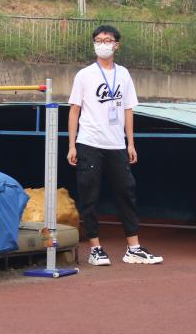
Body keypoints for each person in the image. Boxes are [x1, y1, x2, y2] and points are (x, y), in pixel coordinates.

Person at [67, 24, 163, 266]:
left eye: (107, 40)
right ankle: (95, 248)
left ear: (116, 45)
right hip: (89, 142)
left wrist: (130, 142)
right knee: (89, 193)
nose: (103, 44)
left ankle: (133, 248)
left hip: (117, 144)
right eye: (98, 40)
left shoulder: (124, 74)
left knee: (126, 191)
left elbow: (128, 109)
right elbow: (74, 110)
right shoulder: (84, 75)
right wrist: (72, 145)